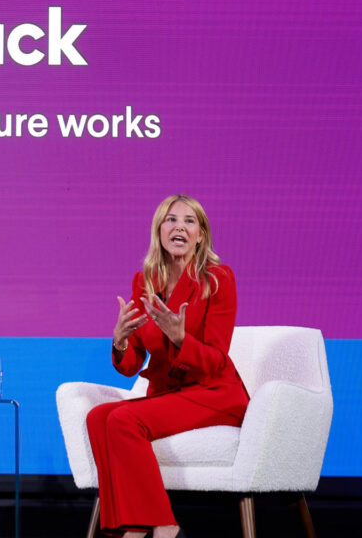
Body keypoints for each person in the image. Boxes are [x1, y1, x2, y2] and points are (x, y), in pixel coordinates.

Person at [86, 195, 249, 538]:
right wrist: (120, 341)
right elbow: (132, 365)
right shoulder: (144, 282)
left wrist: (180, 339)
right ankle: (129, 526)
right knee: (97, 417)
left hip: (213, 394)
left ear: (201, 235)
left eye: (190, 221)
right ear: (159, 230)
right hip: (170, 395)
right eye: (170, 220)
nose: (179, 227)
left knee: (123, 419)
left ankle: (163, 526)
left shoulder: (218, 279)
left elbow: (216, 360)